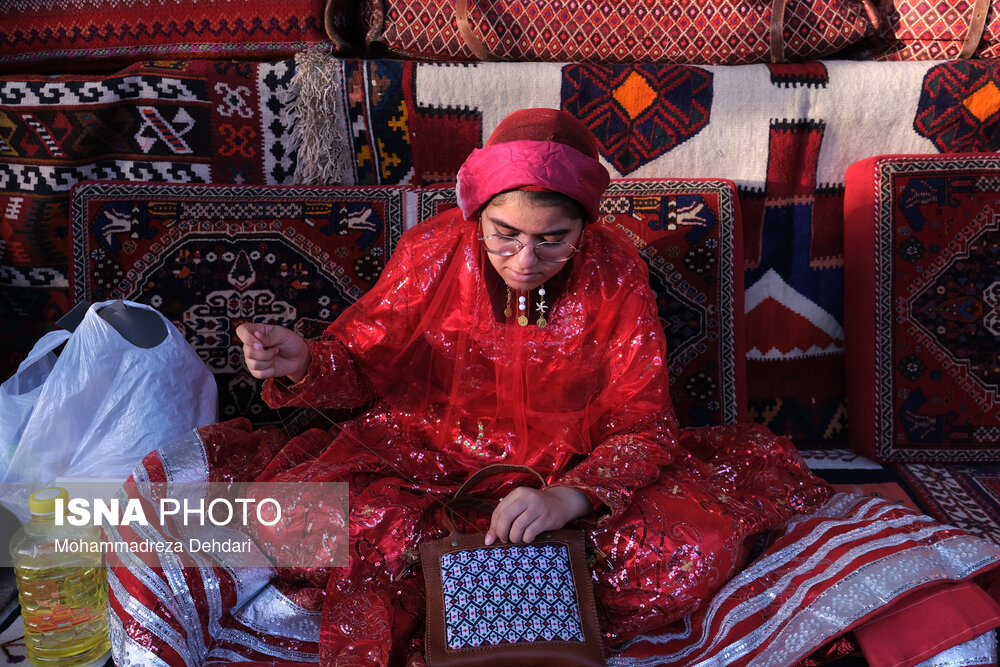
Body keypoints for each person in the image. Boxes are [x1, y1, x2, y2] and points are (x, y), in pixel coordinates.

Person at [108, 108, 1000, 666]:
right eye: (503, 235)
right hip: (423, 461)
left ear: (586, 226)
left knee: (683, 552)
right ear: (475, 216)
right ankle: (468, 585)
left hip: (574, 472)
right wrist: (303, 361)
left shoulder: (617, 273)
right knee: (299, 515)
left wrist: (571, 495)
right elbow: (363, 361)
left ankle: (490, 588)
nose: (524, 260)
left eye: (552, 239)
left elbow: (647, 424)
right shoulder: (432, 252)